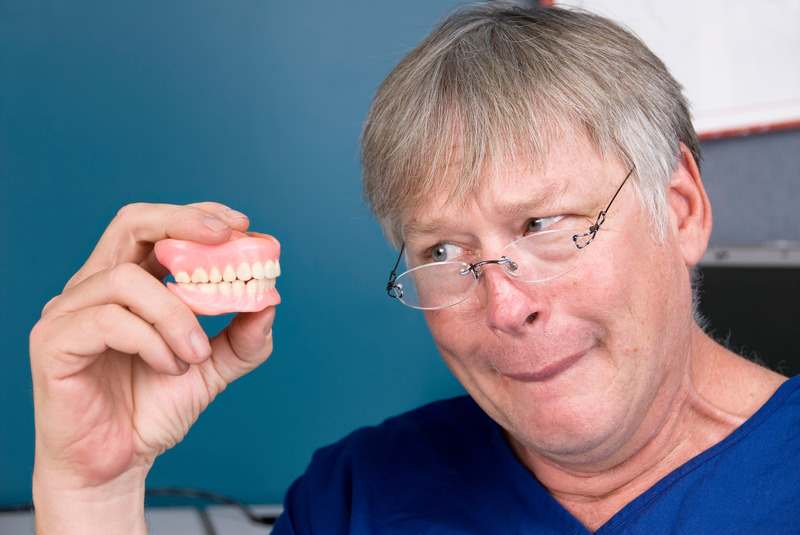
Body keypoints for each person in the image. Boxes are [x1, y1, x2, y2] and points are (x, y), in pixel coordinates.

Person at [29, 3, 798, 534]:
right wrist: (93, 490)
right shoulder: (357, 497)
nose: (504, 305)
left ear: (684, 211)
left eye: (544, 225)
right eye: (442, 252)